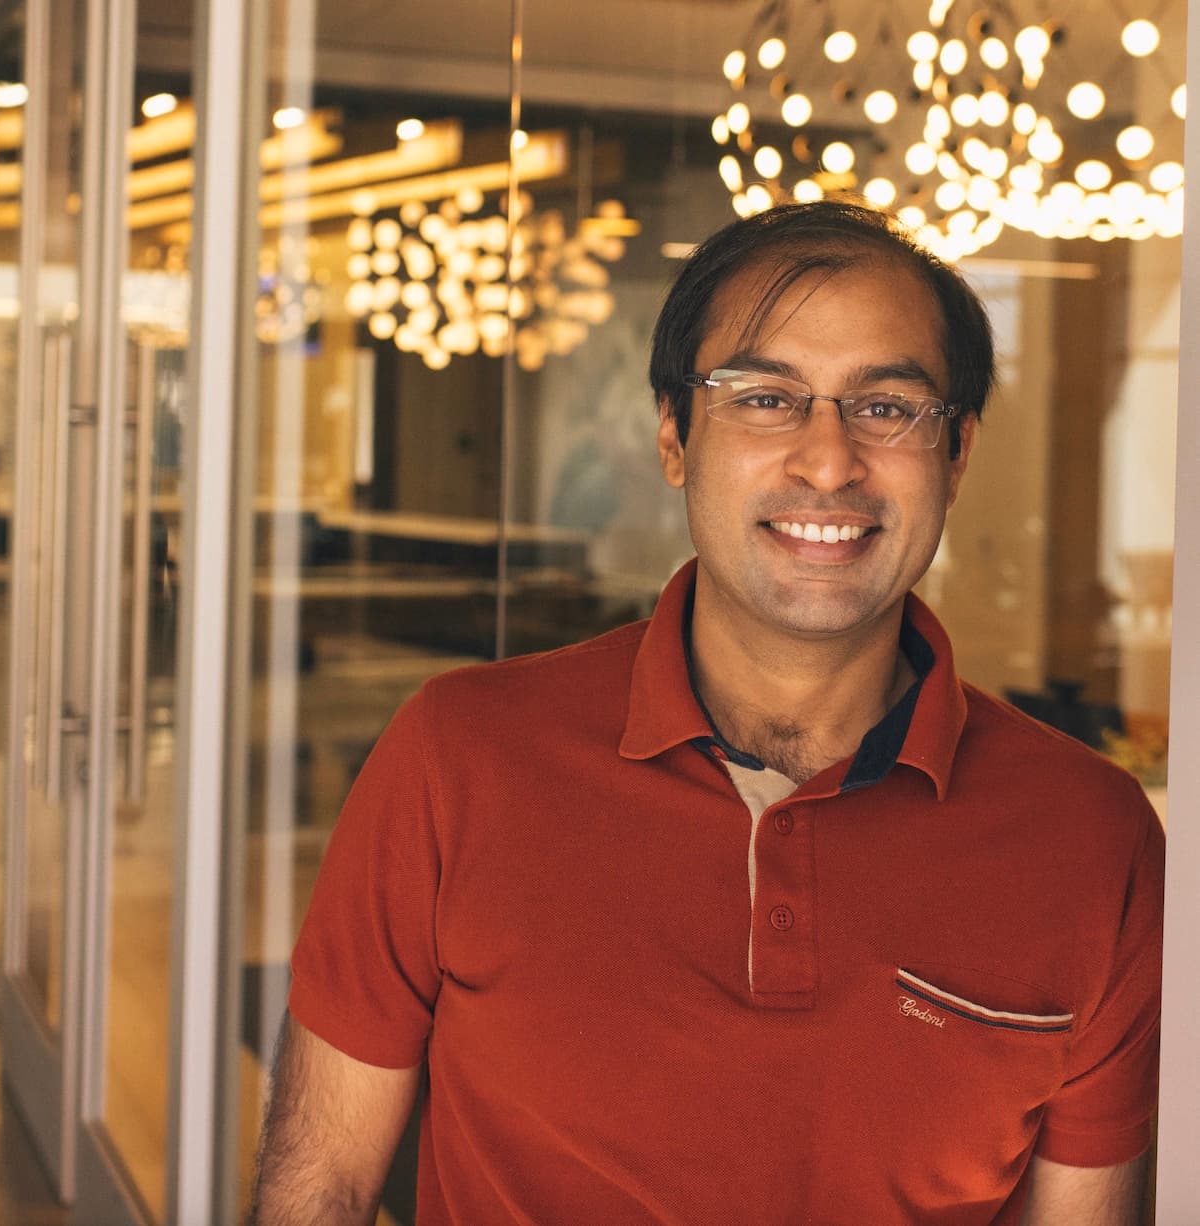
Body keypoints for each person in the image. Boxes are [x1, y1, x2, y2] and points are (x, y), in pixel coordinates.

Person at [252, 200, 1163, 1224]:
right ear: (675, 436)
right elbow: (319, 1181)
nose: (827, 460)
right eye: (765, 397)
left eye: (886, 407)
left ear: (955, 455)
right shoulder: (456, 754)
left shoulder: (1090, 833)